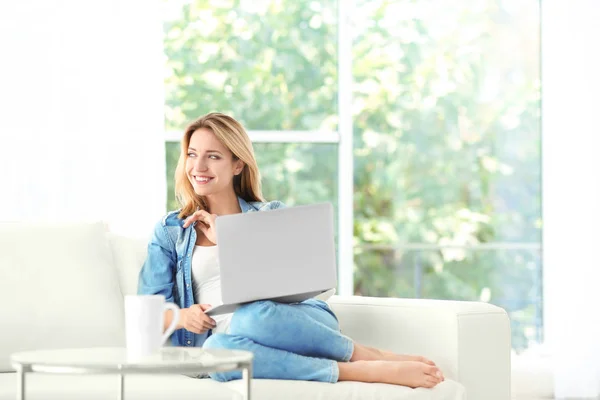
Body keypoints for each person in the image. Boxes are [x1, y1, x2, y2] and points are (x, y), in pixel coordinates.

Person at [138, 112, 445, 388]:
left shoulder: (269, 215)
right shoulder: (170, 230)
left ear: (237, 164)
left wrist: (229, 242)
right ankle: (359, 369)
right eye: (192, 155)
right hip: (224, 341)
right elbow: (148, 312)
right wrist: (182, 318)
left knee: (252, 316)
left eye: (213, 156)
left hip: (295, 322)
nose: (198, 166)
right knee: (215, 352)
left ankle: (368, 354)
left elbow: (299, 290)